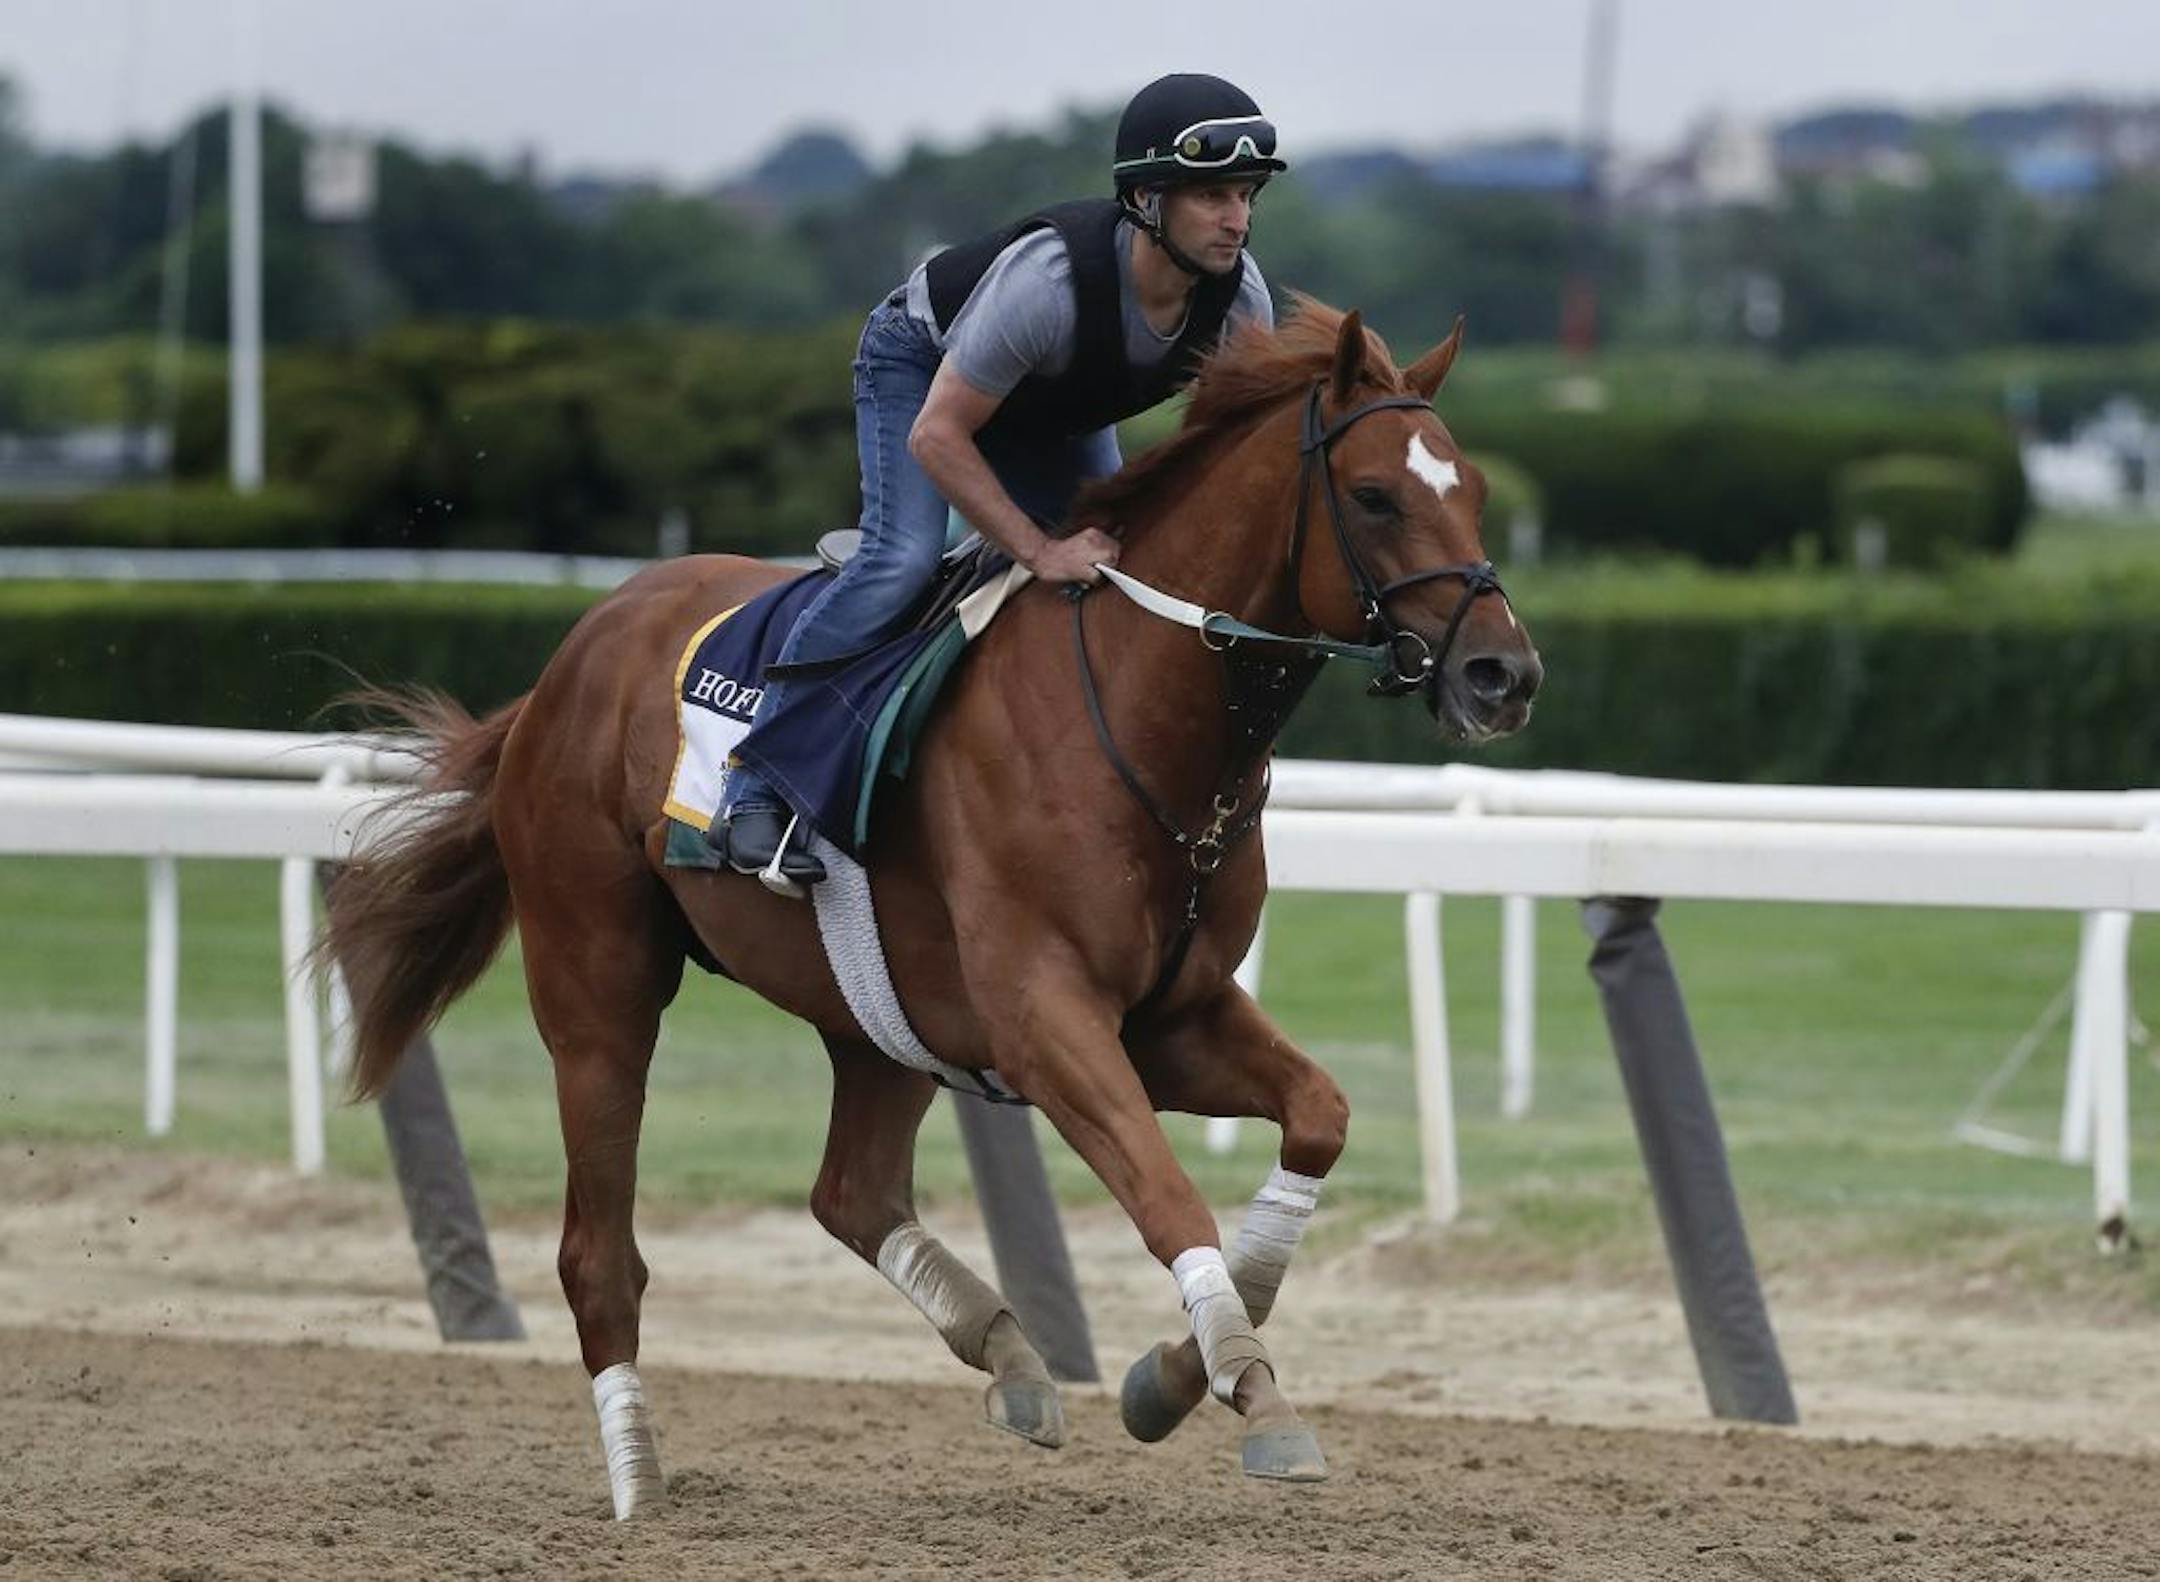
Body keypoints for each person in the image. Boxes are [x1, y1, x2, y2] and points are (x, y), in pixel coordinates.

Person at [718, 72, 1286, 889]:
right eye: (1212, 198)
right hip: (924, 371)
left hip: (1054, 407)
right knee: (903, 559)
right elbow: (939, 436)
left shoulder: (1240, 302)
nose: (1237, 220)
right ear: (1148, 203)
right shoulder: (1049, 284)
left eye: (1245, 195)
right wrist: (1036, 548)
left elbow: (1225, 459)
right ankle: (754, 786)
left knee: (1125, 571)